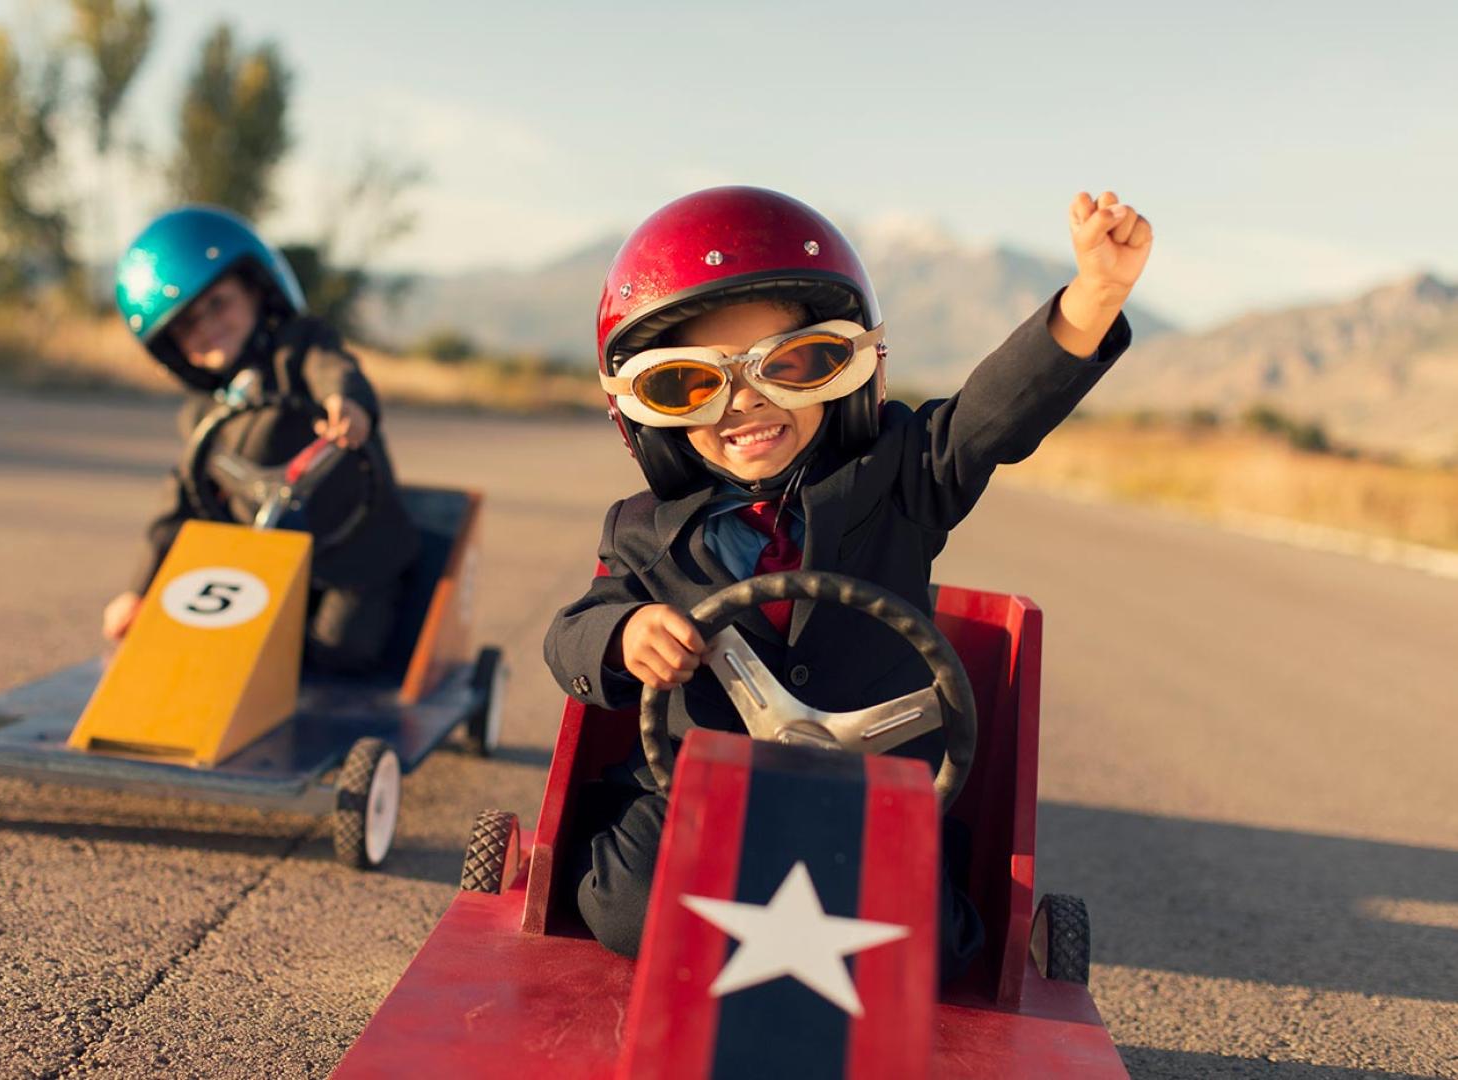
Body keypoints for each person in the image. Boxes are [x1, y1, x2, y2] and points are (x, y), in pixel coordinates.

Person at [543, 185, 1151, 978]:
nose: (746, 403)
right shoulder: (638, 529)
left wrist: (1092, 298)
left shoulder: (896, 475)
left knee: (926, 953)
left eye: (790, 365)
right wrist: (624, 636)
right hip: (697, 802)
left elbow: (987, 421)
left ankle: (919, 925)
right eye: (690, 384)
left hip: (867, 806)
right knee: (620, 906)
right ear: (643, 413)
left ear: (851, 366)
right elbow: (572, 635)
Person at [100, 205, 420, 673]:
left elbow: (334, 368)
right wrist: (138, 589)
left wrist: (345, 403)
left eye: (218, 303)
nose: (207, 325)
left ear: (256, 290)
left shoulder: (301, 349)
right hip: (256, 567)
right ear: (172, 348)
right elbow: (178, 503)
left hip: (351, 556)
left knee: (340, 647)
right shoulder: (203, 418)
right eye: (187, 323)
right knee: (202, 639)